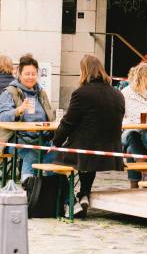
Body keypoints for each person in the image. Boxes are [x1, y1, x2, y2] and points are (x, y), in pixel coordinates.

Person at [53, 55, 125, 217]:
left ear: (83, 71)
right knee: (85, 158)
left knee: (50, 160)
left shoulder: (82, 93)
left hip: (87, 150)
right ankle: (84, 193)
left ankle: (69, 201)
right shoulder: (117, 94)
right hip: (110, 152)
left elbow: (68, 123)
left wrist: (55, 142)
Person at [0, 54, 56, 184]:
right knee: (31, 153)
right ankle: (29, 191)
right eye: (27, 74)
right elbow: (1, 117)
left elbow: (50, 116)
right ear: (19, 74)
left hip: (42, 139)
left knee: (54, 157)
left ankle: (60, 198)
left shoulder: (41, 93)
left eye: (33, 74)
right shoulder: (10, 92)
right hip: (15, 140)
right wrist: (18, 110)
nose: (30, 77)